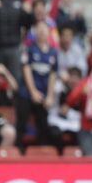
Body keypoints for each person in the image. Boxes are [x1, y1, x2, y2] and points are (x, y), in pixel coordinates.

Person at [16, 22, 59, 153]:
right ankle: (18, 151)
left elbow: (53, 74)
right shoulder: (29, 50)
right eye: (39, 30)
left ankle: (41, 153)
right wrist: (33, 91)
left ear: (48, 32)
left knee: (43, 125)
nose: (41, 32)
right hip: (27, 93)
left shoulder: (53, 52)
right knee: (22, 123)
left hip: (43, 94)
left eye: (44, 30)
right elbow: (26, 69)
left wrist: (50, 95)